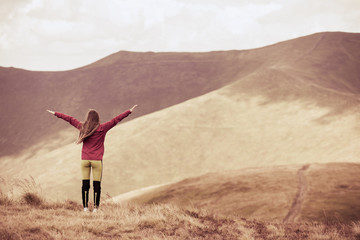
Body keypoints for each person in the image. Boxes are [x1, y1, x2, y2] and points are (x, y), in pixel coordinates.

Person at [46, 105, 137, 212]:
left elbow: (69, 119)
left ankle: (85, 208)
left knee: (85, 184)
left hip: (85, 160)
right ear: (97, 118)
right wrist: (129, 111)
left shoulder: (82, 127)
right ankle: (95, 209)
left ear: (88, 118)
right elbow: (116, 119)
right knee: (96, 185)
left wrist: (55, 113)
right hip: (97, 161)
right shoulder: (103, 128)